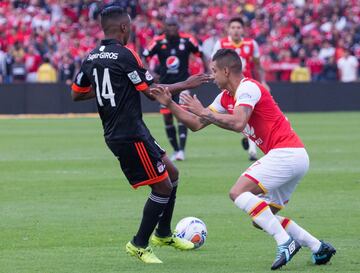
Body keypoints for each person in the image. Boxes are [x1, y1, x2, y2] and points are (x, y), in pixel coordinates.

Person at [151, 49, 336, 270]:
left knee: (237, 192)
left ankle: (285, 243)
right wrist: (169, 104)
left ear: (226, 71)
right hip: (292, 157)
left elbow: (238, 122)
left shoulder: (248, 88)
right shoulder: (225, 97)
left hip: (286, 153)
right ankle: (318, 248)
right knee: (262, 219)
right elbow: (196, 123)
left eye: (214, 71)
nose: (212, 76)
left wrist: (203, 111)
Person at [71, 7, 211, 264]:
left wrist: (114, 86)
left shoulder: (91, 57)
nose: (132, 30)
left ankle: (164, 233)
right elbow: (151, 91)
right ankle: (139, 244)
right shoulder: (126, 55)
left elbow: (76, 92)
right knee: (163, 186)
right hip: (127, 134)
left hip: (132, 129)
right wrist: (186, 84)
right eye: (130, 26)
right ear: (124, 28)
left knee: (172, 173)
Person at [142, 18, 208, 161]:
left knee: (182, 116)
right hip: (165, 86)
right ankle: (176, 149)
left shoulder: (188, 40)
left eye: (174, 25)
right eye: (169, 25)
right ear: (165, 27)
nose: (171, 28)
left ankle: (181, 151)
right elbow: (144, 57)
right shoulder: (158, 41)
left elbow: (201, 54)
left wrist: (207, 71)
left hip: (184, 84)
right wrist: (151, 74)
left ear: (178, 27)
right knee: (167, 118)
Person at [211, 17, 267, 161]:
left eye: (238, 27)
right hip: (231, 88)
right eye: (233, 27)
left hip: (248, 87)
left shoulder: (251, 44)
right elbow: (214, 65)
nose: (236, 30)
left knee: (248, 118)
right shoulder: (221, 43)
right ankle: (249, 139)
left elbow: (257, 65)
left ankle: (252, 150)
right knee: (241, 119)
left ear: (243, 30)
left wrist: (264, 82)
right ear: (228, 29)